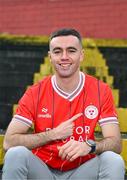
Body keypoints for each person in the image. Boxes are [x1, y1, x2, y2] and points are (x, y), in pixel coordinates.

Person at [2, 28, 125, 180]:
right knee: (15, 154)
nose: (64, 57)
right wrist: (53, 134)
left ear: (81, 55)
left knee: (113, 161)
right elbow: (8, 142)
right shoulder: (35, 92)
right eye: (58, 51)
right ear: (50, 56)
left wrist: (89, 146)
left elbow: (115, 144)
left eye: (71, 51)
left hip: (82, 172)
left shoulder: (101, 90)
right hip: (42, 171)